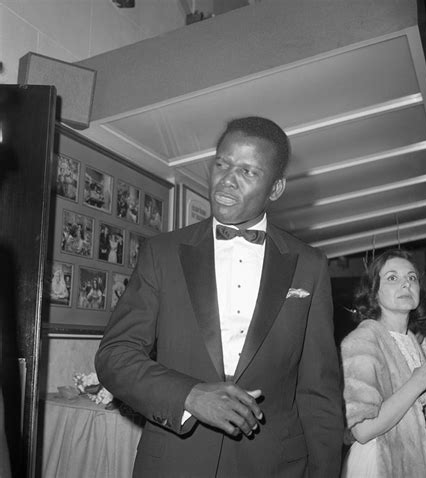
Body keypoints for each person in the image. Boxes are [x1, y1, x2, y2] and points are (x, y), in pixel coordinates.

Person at [95, 116, 344, 477]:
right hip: (175, 462)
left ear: (275, 189)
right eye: (222, 164)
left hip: (273, 467)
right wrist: (189, 396)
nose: (227, 180)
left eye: (247, 171)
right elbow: (114, 357)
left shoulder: (310, 266)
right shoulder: (162, 253)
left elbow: (319, 394)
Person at [340, 249, 426, 478]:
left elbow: (415, 414)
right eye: (392, 277)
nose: (406, 284)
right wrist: (417, 382)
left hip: (415, 464)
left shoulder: (410, 340)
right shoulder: (362, 341)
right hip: (380, 465)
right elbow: (363, 429)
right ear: (374, 292)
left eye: (412, 278)